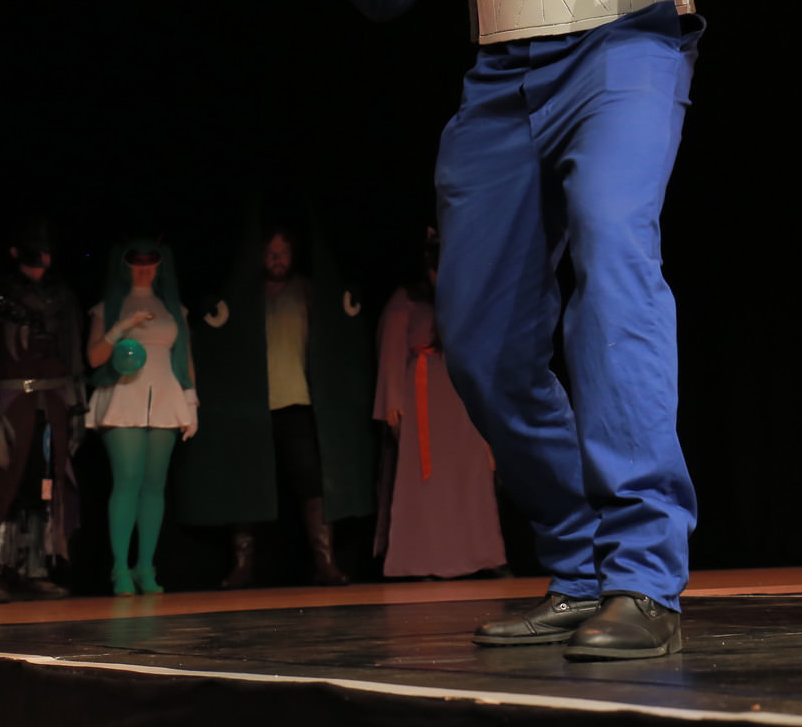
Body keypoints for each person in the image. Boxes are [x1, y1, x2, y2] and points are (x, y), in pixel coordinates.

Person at [250, 0, 799, 659]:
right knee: (482, 342)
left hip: (629, 48)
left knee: (612, 245)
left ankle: (642, 575)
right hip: (502, 76)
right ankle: (583, 565)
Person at [176, 221, 373, 589]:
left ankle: (325, 562)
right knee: (247, 482)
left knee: (312, 483)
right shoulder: (243, 295)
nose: (276, 259)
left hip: (297, 401)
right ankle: (242, 566)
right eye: (270, 253)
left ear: (293, 255)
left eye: (282, 252)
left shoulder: (308, 291)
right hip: (250, 407)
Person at [0, 215, 82, 603]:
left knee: (45, 485)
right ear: (16, 253)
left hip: (53, 403)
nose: (40, 265)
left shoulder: (60, 296)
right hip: (13, 403)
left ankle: (33, 568)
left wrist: (77, 408)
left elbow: (72, 354)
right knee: (3, 485)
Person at [373, 231, 505, 579]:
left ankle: (478, 557)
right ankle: (422, 561)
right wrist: (392, 400)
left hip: (457, 395)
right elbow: (390, 350)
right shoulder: (406, 299)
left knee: (467, 475)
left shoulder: (463, 297)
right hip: (422, 398)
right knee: (426, 481)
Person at [85, 238, 197, 596]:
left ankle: (146, 566)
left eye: (151, 262)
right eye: (137, 262)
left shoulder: (171, 307)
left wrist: (191, 400)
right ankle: (120, 568)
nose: (145, 268)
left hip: (166, 396)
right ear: (125, 265)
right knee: (128, 479)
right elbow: (94, 357)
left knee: (154, 484)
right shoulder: (110, 306)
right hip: (124, 396)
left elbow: (185, 355)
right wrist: (121, 327)